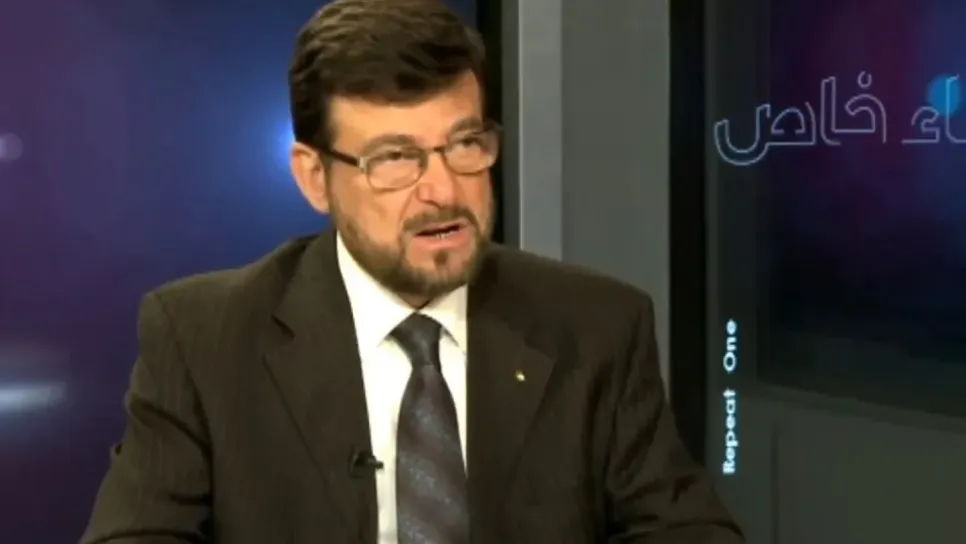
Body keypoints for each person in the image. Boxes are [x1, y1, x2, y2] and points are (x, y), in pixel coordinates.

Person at [82, 0, 744, 542]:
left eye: (464, 144)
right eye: (395, 159)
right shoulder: (203, 338)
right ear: (315, 178)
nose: (443, 192)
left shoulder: (596, 327)